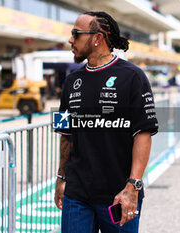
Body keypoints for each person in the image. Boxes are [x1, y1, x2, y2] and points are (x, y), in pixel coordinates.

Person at [54, 11, 158, 233]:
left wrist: (134, 185)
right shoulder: (71, 81)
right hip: (77, 195)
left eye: (76, 34)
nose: (70, 39)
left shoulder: (133, 76)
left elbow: (144, 133)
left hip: (118, 194)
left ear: (97, 38)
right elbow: (66, 134)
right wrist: (61, 178)